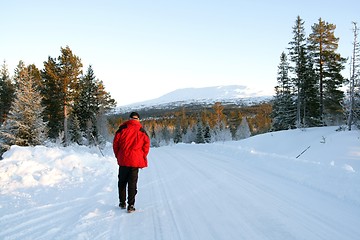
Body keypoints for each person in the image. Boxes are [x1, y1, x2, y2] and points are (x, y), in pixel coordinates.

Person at [113, 112, 150, 213]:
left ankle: (122, 202)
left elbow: (115, 144)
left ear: (129, 119)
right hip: (135, 161)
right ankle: (131, 205)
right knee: (132, 183)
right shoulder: (142, 131)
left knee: (122, 182)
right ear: (138, 119)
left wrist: (118, 155)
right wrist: (141, 155)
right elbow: (146, 146)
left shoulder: (122, 129)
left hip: (123, 160)